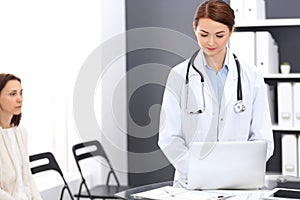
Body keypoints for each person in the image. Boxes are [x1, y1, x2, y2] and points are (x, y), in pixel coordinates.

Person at [158, 0, 274, 188]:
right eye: (204, 34)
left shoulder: (251, 76)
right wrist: (198, 171)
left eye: (219, 35)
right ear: (194, 28)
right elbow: (169, 138)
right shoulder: (179, 75)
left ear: (231, 30)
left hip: (238, 183)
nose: (211, 42)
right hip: (192, 184)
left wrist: (238, 172)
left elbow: (262, 139)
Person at [0, 73, 43, 200]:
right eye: (13, 94)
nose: (20, 99)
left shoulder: (21, 133)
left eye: (21, 93)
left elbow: (27, 177)